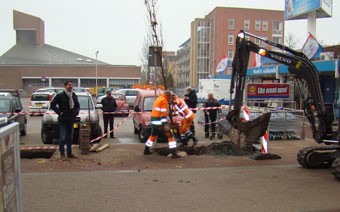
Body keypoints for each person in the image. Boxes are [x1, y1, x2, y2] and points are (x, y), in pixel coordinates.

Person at [144, 90, 179, 158]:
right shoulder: (164, 101)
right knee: (170, 136)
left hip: (154, 121)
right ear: (168, 96)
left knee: (153, 136)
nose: (170, 98)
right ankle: (174, 153)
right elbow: (163, 115)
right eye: (170, 97)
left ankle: (146, 150)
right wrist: (165, 125)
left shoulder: (159, 99)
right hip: (160, 122)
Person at [50, 81, 80, 159]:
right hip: (63, 119)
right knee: (62, 137)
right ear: (65, 86)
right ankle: (62, 153)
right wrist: (59, 112)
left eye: (71, 85)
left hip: (71, 119)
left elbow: (77, 106)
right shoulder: (60, 96)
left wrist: (76, 113)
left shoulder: (73, 95)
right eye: (69, 85)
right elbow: (52, 104)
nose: (70, 86)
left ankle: (69, 153)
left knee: (70, 137)